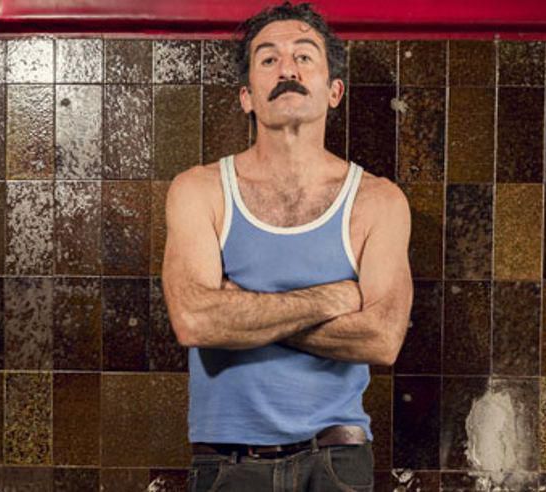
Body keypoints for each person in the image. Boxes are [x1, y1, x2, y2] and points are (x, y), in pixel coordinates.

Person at [162, 2, 413, 490]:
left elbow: (382, 340)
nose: (287, 70)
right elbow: (195, 321)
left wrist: (240, 312)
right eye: (268, 59)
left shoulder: (377, 200)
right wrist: (332, 298)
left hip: (337, 459)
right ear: (247, 97)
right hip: (228, 463)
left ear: (334, 91)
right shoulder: (199, 190)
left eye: (303, 56)